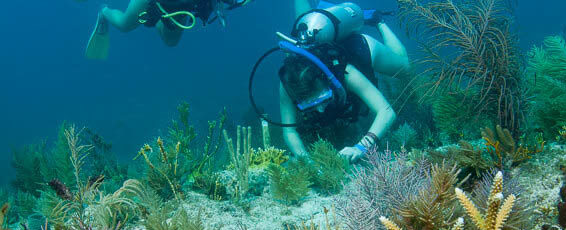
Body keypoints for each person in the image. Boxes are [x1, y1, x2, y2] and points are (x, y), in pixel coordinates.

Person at [278, 0, 410, 163]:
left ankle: (377, 20)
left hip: (361, 49)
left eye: (322, 99)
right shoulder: (288, 84)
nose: (320, 110)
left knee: (405, 68)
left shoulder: (346, 72)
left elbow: (386, 111)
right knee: (302, 25)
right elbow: (289, 131)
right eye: (309, 105)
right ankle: (316, 17)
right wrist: (306, 160)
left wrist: (361, 147)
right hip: (316, 39)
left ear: (326, 80)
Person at [85, 0, 253, 59]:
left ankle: (161, 17)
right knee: (124, 24)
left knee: (171, 41)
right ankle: (104, 11)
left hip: (180, 8)